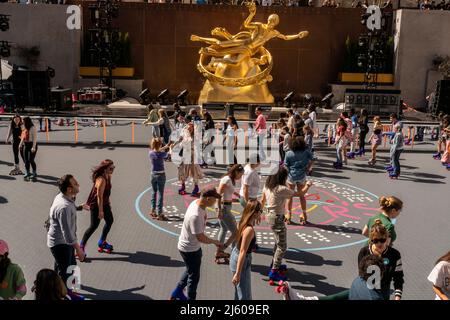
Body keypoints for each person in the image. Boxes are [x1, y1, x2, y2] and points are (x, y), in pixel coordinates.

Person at [280, 221, 404, 300]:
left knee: (336, 298)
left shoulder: (394, 255)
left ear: (387, 238)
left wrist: (397, 296)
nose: (379, 243)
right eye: (376, 240)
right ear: (371, 239)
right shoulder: (364, 252)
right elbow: (362, 274)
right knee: (334, 298)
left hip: (382, 291)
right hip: (367, 288)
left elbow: (398, 277)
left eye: (382, 240)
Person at [260, 167, 313, 283]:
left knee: (277, 242)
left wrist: (259, 212)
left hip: (269, 216)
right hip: (277, 218)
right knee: (282, 246)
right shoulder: (281, 189)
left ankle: (275, 264)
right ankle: (274, 271)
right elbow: (300, 194)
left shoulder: (267, 186)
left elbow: (262, 200)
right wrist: (308, 185)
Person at [170, 188, 224, 300]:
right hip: (190, 249)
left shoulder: (196, 203)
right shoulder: (196, 215)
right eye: (214, 200)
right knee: (194, 277)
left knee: (190, 269)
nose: (215, 203)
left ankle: (177, 292)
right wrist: (215, 241)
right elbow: (201, 237)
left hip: (187, 246)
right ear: (208, 199)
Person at [47, 175, 86, 287]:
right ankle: (65, 292)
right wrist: (79, 250)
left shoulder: (64, 197)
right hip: (61, 243)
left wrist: (79, 207)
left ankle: (61, 285)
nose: (78, 184)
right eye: (75, 183)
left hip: (63, 242)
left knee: (66, 266)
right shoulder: (64, 207)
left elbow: (69, 209)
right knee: (67, 271)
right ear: (69, 189)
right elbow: (68, 234)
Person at [81, 159, 116, 254]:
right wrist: (101, 211)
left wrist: (108, 202)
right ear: (105, 169)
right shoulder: (101, 180)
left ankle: (102, 242)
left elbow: (106, 193)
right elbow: (99, 196)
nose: (113, 170)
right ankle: (81, 247)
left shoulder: (108, 176)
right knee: (93, 226)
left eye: (114, 168)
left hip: (104, 203)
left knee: (110, 221)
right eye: (111, 168)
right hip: (96, 205)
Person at [230, 200, 263, 300]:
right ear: (255, 213)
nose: (262, 213)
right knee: (244, 296)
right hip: (242, 261)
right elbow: (243, 252)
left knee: (239, 292)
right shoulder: (249, 230)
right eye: (261, 211)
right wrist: (238, 274)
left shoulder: (242, 222)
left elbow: (235, 236)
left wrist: (224, 245)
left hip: (235, 255)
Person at [216, 164, 245, 262]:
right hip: (224, 208)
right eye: (240, 175)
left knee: (223, 229)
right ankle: (222, 250)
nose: (240, 177)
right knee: (236, 233)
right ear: (236, 172)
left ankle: (218, 252)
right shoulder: (226, 179)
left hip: (227, 206)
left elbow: (230, 191)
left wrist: (239, 196)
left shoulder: (230, 180)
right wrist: (218, 209)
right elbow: (218, 195)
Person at [285, 136, 313, 225]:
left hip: (291, 176)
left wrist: (286, 174)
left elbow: (286, 165)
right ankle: (304, 214)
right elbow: (313, 158)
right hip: (301, 176)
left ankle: (289, 214)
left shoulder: (289, 153)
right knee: (302, 196)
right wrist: (308, 168)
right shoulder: (306, 152)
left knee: (289, 196)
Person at [175, 122, 204, 196]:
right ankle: (183, 186)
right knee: (182, 171)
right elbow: (181, 143)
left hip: (192, 155)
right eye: (188, 128)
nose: (189, 129)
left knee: (194, 172)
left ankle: (196, 187)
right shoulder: (185, 135)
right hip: (185, 155)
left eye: (191, 128)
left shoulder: (195, 137)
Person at [148, 138, 172, 221]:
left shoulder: (151, 153)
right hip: (161, 175)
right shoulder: (162, 154)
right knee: (160, 194)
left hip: (153, 174)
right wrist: (170, 148)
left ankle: (152, 210)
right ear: (160, 145)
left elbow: (157, 150)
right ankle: (160, 213)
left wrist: (166, 146)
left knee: (154, 192)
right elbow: (169, 155)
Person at [19, 116, 38, 181]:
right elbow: (23, 137)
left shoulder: (33, 128)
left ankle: (34, 172)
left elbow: (35, 138)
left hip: (32, 144)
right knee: (26, 160)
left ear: (27, 121)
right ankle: (27, 172)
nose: (22, 122)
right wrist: (20, 144)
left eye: (23, 121)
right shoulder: (23, 127)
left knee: (31, 160)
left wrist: (33, 147)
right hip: (26, 145)